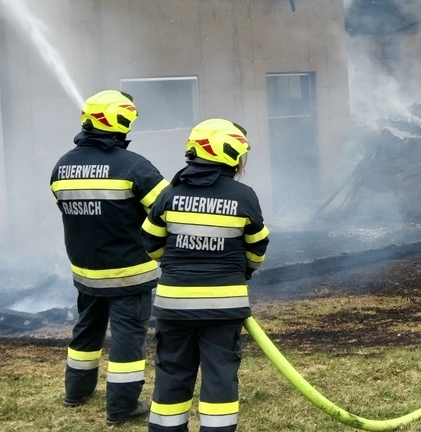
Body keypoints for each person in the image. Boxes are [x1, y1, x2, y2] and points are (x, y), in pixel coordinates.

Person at [142, 119, 269, 432]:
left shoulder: (170, 194)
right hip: (223, 306)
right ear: (230, 155)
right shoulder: (243, 196)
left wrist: (174, 264)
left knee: (172, 372)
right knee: (220, 374)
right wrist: (243, 271)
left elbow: (150, 242)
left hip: (173, 305)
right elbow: (258, 247)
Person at [50, 90, 168, 425]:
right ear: (122, 121)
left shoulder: (63, 165)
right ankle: (121, 407)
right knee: (128, 339)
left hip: (86, 272)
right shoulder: (133, 166)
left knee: (86, 331)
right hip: (129, 273)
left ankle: (76, 391)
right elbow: (167, 211)